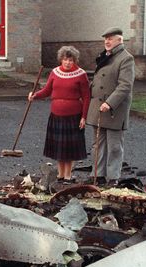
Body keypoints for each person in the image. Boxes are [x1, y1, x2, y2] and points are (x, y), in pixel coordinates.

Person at [28, 46, 90, 182]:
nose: (68, 62)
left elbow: (86, 97)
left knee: (70, 148)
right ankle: (60, 175)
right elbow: (47, 90)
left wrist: (84, 117)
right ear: (61, 59)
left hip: (73, 117)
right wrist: (35, 95)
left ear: (75, 61)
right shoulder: (54, 72)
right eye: (65, 59)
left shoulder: (81, 74)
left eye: (71, 60)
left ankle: (68, 175)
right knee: (59, 147)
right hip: (56, 116)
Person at [86, 27, 135, 187]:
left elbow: (125, 85)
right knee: (98, 145)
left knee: (114, 146)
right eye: (105, 39)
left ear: (119, 40)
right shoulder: (105, 57)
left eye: (110, 38)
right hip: (98, 108)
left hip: (114, 109)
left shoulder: (126, 58)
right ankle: (98, 175)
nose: (107, 41)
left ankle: (113, 178)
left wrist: (110, 102)